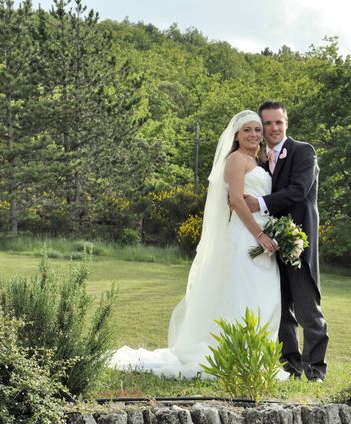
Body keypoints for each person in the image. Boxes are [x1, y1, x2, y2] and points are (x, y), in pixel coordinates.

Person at [110, 110, 281, 378]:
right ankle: (234, 353)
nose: (254, 134)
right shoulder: (236, 160)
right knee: (244, 292)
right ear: (236, 135)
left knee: (261, 294)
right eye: (247, 130)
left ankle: (252, 353)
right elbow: (235, 200)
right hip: (246, 235)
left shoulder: (257, 160)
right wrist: (259, 234)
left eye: (257, 130)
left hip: (263, 235)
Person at [244, 100, 329, 382]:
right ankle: (291, 366)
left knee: (307, 309)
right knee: (280, 308)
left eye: (278, 122)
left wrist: (260, 202)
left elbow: (298, 191)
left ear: (286, 123)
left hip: (297, 241)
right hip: (271, 245)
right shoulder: (259, 160)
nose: (273, 128)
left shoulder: (303, 152)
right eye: (267, 123)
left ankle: (316, 369)